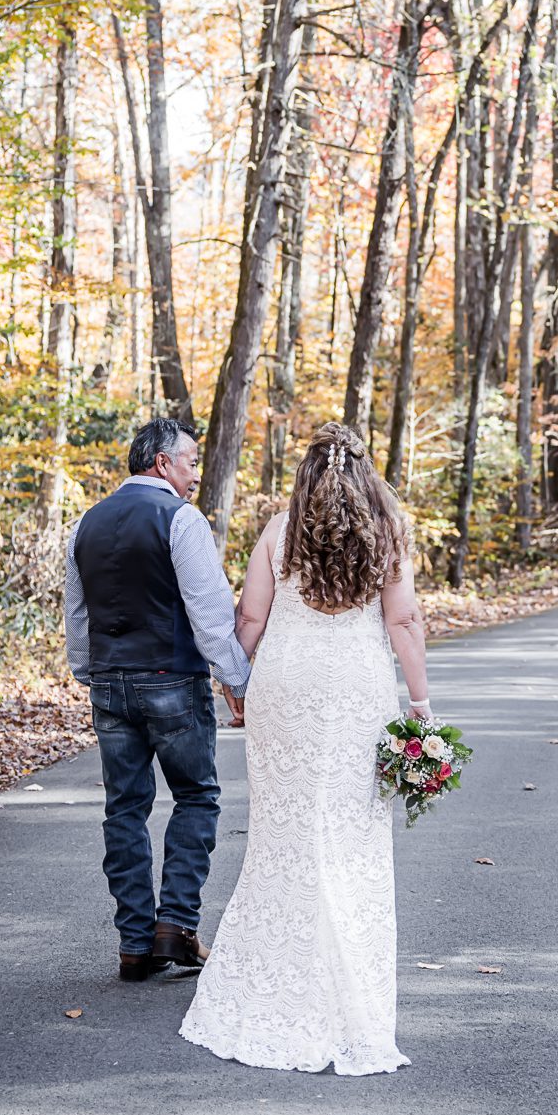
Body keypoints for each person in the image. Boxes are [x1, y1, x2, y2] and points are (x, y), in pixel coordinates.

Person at [180, 421, 430, 1075]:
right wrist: (422, 702)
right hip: (354, 689)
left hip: (285, 689)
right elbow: (402, 620)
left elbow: (251, 619)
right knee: (348, 833)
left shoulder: (277, 529)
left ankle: (279, 982)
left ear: (308, 473)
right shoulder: (389, 530)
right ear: (365, 471)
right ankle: (344, 979)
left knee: (285, 835)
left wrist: (235, 683)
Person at [65, 417, 250, 981]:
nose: (196, 474)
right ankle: (176, 926)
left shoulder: (85, 524)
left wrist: (86, 670)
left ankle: (134, 944)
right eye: (191, 462)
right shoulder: (181, 520)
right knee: (196, 797)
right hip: (171, 681)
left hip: (110, 683)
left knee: (124, 808)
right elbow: (211, 613)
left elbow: (77, 613)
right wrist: (238, 682)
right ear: (163, 463)